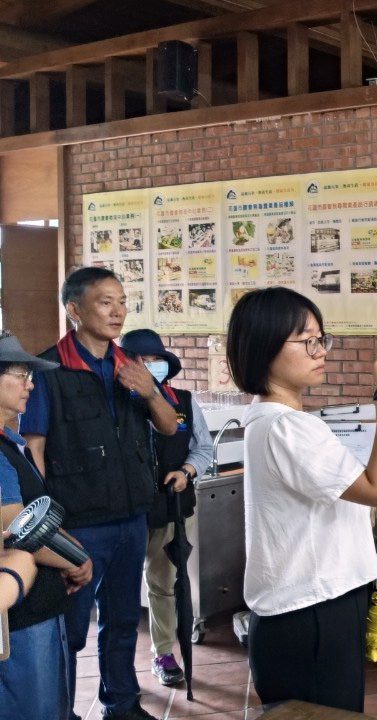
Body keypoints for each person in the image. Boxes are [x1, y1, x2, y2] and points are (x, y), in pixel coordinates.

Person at [227, 287, 377, 712]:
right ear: (265, 347)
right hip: (310, 613)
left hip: (311, 607)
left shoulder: (272, 421)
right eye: (307, 340)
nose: (320, 350)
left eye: (321, 338)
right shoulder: (288, 428)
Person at [21, 266, 178, 720]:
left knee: (124, 621)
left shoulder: (131, 366)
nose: (118, 311)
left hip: (131, 519)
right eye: (106, 302)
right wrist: (53, 531)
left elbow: (169, 426)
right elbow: (36, 451)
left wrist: (150, 391)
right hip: (78, 526)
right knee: (70, 630)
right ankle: (62, 711)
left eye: (123, 301)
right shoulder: (48, 371)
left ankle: (122, 705)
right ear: (74, 309)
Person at [0, 331, 93, 719]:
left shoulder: (10, 441)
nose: (30, 384)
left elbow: (33, 518)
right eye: (21, 375)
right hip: (23, 614)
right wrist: (73, 560)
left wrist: (72, 550)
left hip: (37, 602)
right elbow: (16, 530)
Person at [120, 329, 215, 688]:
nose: (151, 366)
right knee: (121, 589)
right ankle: (119, 666)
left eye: (156, 360)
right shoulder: (118, 406)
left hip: (173, 506)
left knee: (163, 583)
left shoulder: (184, 401)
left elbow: (203, 448)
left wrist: (187, 471)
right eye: (142, 360)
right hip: (125, 511)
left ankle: (163, 652)